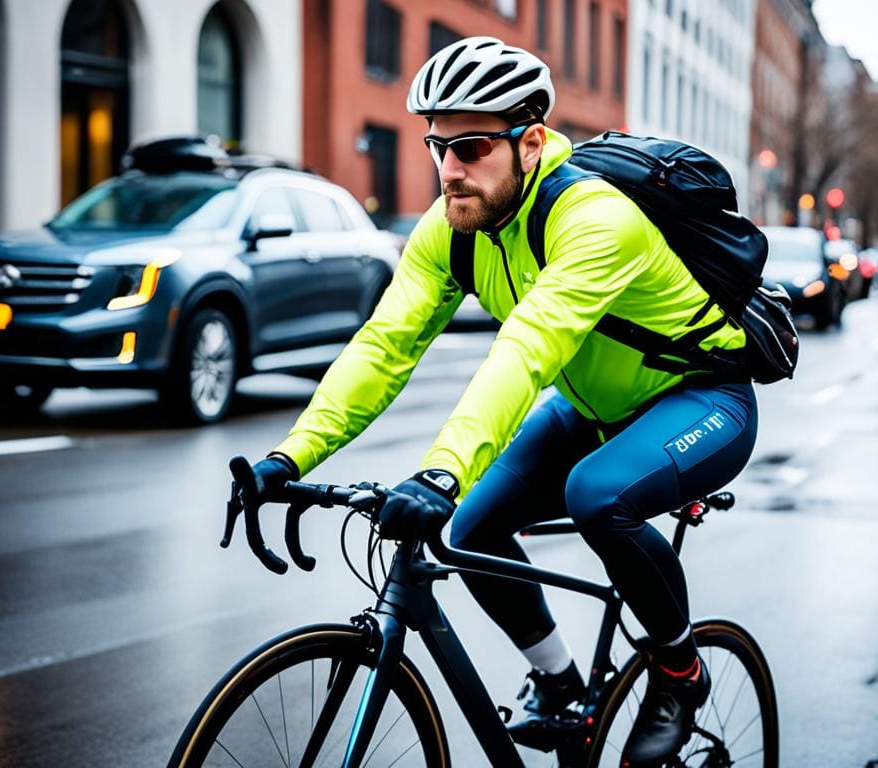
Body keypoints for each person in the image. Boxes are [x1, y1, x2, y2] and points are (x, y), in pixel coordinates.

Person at [241, 36, 758, 765]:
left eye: (473, 146)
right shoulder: (452, 227)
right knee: (472, 526)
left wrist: (441, 470)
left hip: (702, 399)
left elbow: (527, 348)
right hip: (591, 408)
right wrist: (287, 456)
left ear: (532, 142)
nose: (450, 170)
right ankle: (561, 685)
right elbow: (383, 344)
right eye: (437, 146)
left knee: (596, 494)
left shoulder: (597, 220)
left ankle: (680, 672)